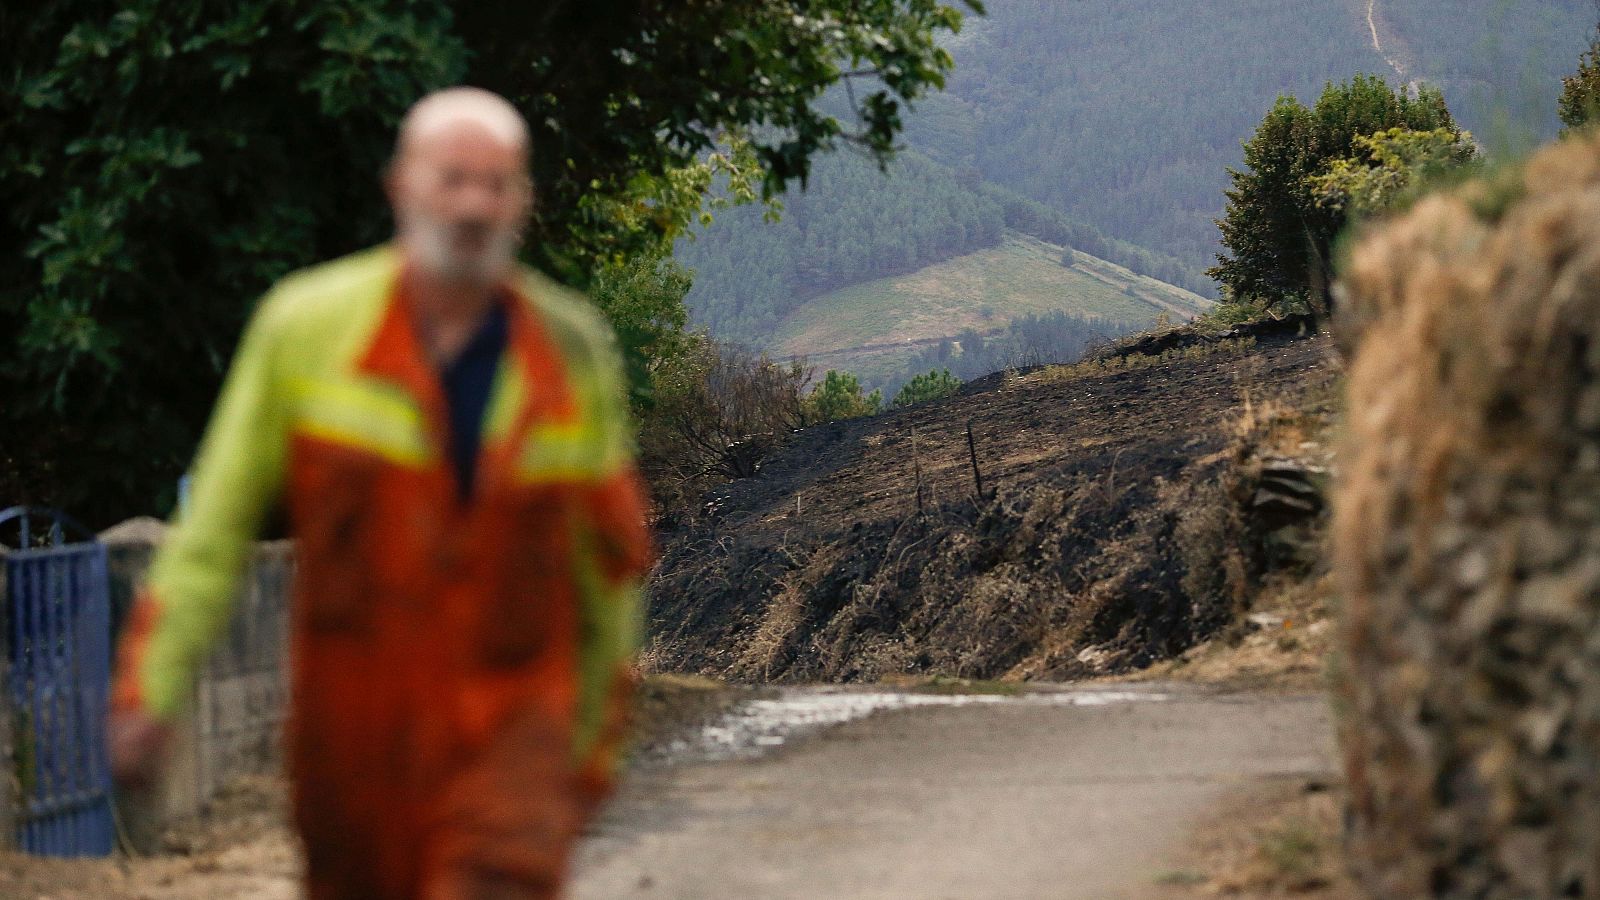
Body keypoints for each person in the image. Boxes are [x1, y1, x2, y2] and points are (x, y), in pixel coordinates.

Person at [107, 86, 652, 899]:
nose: (473, 204)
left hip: (513, 743)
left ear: (523, 201)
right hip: (355, 752)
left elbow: (608, 567)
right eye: (452, 179)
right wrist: (151, 691)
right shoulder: (305, 328)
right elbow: (213, 532)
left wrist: (592, 746)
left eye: (496, 183)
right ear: (401, 185)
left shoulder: (570, 349)